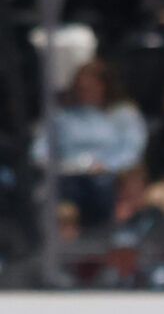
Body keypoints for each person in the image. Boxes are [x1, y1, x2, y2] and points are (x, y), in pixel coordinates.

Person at [34, 59, 148, 227]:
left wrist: (109, 165)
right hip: (67, 177)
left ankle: (106, 233)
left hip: (110, 177)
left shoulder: (124, 114)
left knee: (102, 185)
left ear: (105, 86)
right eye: (81, 88)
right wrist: (58, 165)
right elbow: (39, 150)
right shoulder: (61, 116)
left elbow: (132, 151)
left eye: (92, 87)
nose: (86, 92)